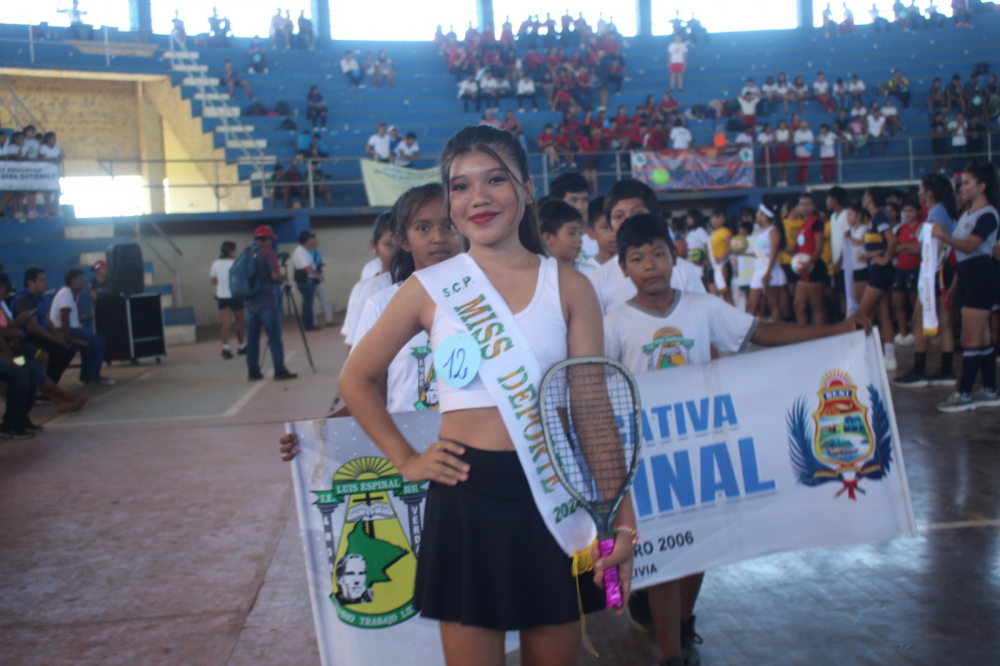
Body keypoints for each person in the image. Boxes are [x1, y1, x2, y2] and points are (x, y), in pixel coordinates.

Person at [337, 125, 635, 664]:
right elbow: (354, 380)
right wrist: (405, 459)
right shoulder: (428, 288)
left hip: (553, 494)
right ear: (449, 203)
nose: (478, 197)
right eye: (460, 186)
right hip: (465, 498)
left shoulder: (569, 286)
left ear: (524, 189)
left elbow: (592, 413)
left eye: (495, 179)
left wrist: (622, 521)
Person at [605, 213, 866, 666]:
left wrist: (832, 333)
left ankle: (684, 623)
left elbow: (759, 333)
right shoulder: (613, 323)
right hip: (649, 457)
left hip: (703, 445)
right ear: (623, 268)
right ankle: (671, 654)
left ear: (675, 256)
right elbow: (600, 386)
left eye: (659, 254)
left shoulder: (702, 307)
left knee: (700, 545)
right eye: (638, 258)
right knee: (666, 554)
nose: (651, 265)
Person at [932, 163, 999, 411]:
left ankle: (964, 394)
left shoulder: (988, 214)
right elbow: (963, 255)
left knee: (970, 337)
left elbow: (971, 247)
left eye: (968, 183)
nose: (963, 188)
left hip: (981, 277)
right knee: (980, 338)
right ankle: (990, 389)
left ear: (982, 186)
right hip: (969, 276)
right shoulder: (969, 215)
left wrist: (942, 236)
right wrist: (955, 284)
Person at [588, 180, 706, 316]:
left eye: (638, 213)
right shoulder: (599, 280)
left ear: (656, 217)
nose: (629, 221)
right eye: (619, 216)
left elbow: (704, 321)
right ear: (610, 227)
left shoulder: (684, 271)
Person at [244, 225, 297, 381]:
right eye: (270, 240)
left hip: (250, 303)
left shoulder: (247, 251)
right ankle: (279, 370)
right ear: (266, 239)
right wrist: (283, 279)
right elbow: (274, 276)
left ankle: (253, 371)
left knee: (252, 339)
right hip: (267, 302)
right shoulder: (267, 252)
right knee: (274, 337)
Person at [857, 187, 898, 370]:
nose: (863, 199)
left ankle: (862, 353)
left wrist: (885, 258)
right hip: (878, 268)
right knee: (883, 313)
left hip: (881, 270)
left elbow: (892, 240)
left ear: (871, 198)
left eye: (865, 195)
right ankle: (889, 356)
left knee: (862, 313)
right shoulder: (875, 218)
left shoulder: (879, 217)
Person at [48, 269, 113, 385]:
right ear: (73, 281)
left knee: (100, 340)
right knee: (93, 343)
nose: (84, 281)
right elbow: (64, 315)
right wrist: (66, 337)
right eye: (81, 279)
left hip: (74, 330)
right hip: (65, 331)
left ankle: (94, 374)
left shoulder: (73, 294)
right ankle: (87, 376)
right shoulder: (66, 293)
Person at [12, 269, 76, 384]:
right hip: (26, 341)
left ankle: (50, 384)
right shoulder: (23, 300)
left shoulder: (38, 298)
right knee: (55, 351)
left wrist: (61, 339)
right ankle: (44, 388)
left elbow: (48, 322)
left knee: (69, 347)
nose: (45, 283)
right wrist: (57, 341)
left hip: (38, 338)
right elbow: (33, 329)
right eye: (42, 280)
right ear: (30, 282)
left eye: (45, 280)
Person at [747, 202, 789, 319]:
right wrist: (742, 252)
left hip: (769, 270)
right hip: (759, 269)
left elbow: (774, 253)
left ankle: (776, 329)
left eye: (758, 212)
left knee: (773, 303)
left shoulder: (773, 230)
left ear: (764, 215)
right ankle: (749, 332)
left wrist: (768, 273)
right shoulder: (761, 231)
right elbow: (759, 253)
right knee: (751, 304)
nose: (757, 214)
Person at [791, 193, 827, 324]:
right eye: (802, 204)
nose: (804, 207)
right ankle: (804, 337)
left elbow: (819, 248)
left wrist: (809, 263)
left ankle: (820, 337)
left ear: (814, 207)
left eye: (808, 204)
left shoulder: (816, 222)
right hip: (802, 269)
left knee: (816, 305)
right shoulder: (802, 224)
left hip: (814, 267)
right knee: (798, 306)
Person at [891, 199, 921, 346]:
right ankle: (902, 332)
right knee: (897, 302)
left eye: (911, 211)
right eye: (906, 211)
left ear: (918, 212)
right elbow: (895, 248)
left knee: (913, 302)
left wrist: (904, 247)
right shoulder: (901, 229)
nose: (908, 214)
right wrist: (907, 247)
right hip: (900, 268)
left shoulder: (921, 227)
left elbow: (918, 248)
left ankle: (916, 333)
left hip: (915, 267)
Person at [210, 242, 246, 359]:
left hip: (222, 297)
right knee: (239, 322)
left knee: (226, 323)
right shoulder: (237, 263)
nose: (236, 252)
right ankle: (242, 346)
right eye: (235, 250)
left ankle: (225, 348)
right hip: (236, 296)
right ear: (231, 252)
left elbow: (213, 281)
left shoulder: (216, 263)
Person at [538, 199, 587, 274]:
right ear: (548, 238)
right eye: (572, 233)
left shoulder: (593, 274)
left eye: (580, 233)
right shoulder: (535, 276)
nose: (579, 239)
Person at [291, 231, 324, 332]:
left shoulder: (304, 250)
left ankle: (309, 324)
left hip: (308, 280)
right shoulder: (301, 251)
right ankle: (308, 325)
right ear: (307, 240)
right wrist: (318, 275)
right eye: (311, 239)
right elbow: (307, 267)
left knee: (308, 304)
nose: (312, 241)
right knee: (308, 304)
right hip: (307, 281)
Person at [793, 119, 814, 184]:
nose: (804, 127)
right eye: (803, 126)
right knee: (800, 168)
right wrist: (802, 142)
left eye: (805, 126)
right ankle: (799, 180)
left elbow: (811, 140)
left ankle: (804, 180)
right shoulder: (797, 132)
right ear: (800, 126)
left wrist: (805, 142)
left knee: (806, 168)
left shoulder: (809, 132)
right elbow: (795, 141)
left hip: (807, 153)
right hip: (800, 153)